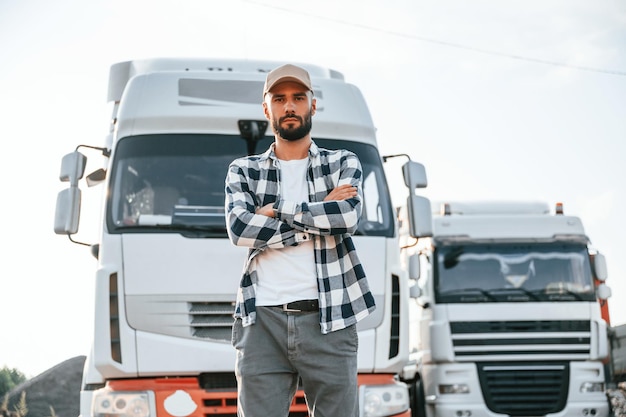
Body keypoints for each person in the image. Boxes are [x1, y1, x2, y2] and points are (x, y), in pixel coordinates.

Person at [225, 63, 376, 417]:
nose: (289, 106)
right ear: (267, 109)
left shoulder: (343, 162)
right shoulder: (243, 170)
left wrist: (275, 210)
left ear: (313, 105)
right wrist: (319, 211)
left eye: (298, 98)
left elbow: (346, 217)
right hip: (261, 319)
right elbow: (240, 230)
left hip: (331, 316)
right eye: (279, 99)